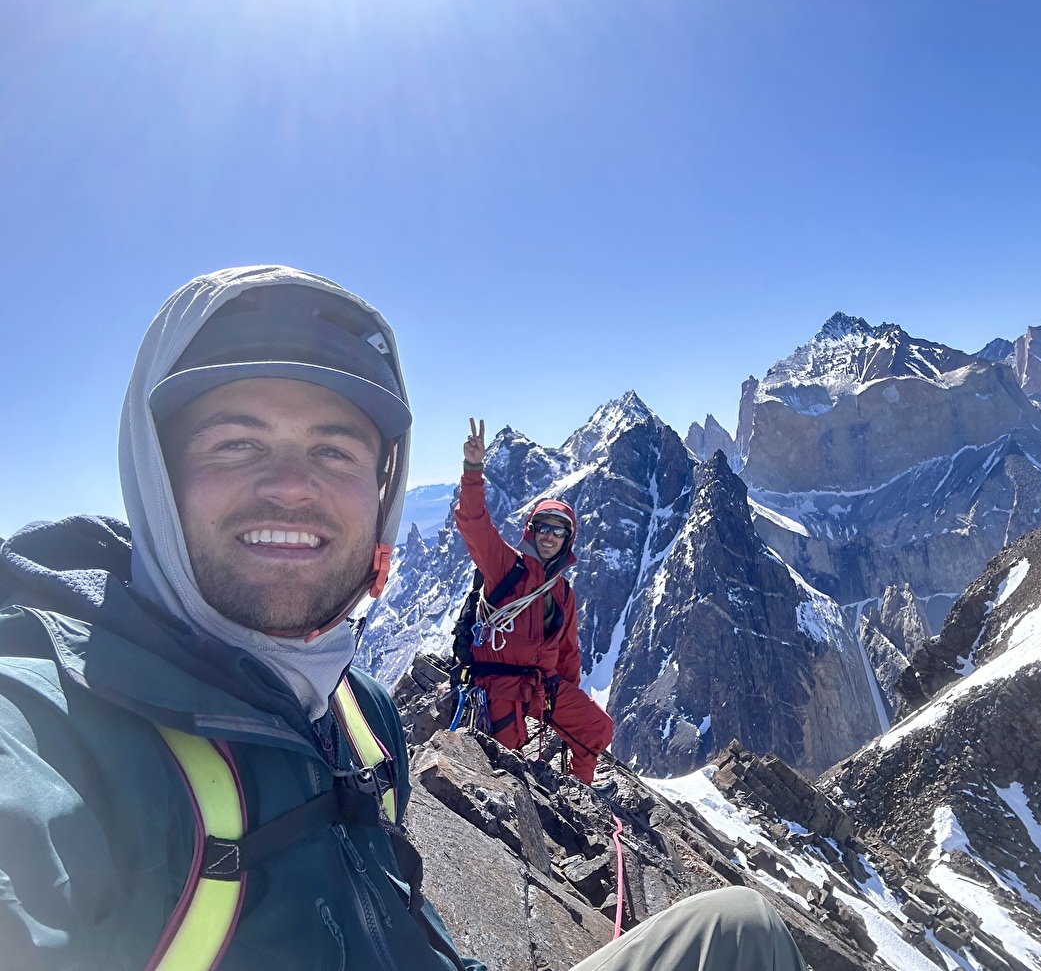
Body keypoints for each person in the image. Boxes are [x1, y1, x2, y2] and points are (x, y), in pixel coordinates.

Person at [0, 265, 806, 971]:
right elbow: (477, 530)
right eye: (236, 444)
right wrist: (473, 473)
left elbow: (398, 913)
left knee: (739, 925)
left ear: (380, 492)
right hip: (498, 695)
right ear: (156, 472)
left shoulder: (367, 718)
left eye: (335, 451)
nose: (290, 486)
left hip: (532, 697)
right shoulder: (52, 724)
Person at [455, 419, 614, 784]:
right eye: (544, 527)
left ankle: (579, 791)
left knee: (596, 728)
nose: (550, 536)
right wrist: (473, 471)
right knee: (507, 769)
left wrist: (567, 703)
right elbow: (473, 524)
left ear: (567, 540)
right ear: (532, 530)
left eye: (559, 531)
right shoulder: (505, 567)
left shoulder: (562, 593)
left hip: (542, 688)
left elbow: (568, 653)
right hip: (499, 686)